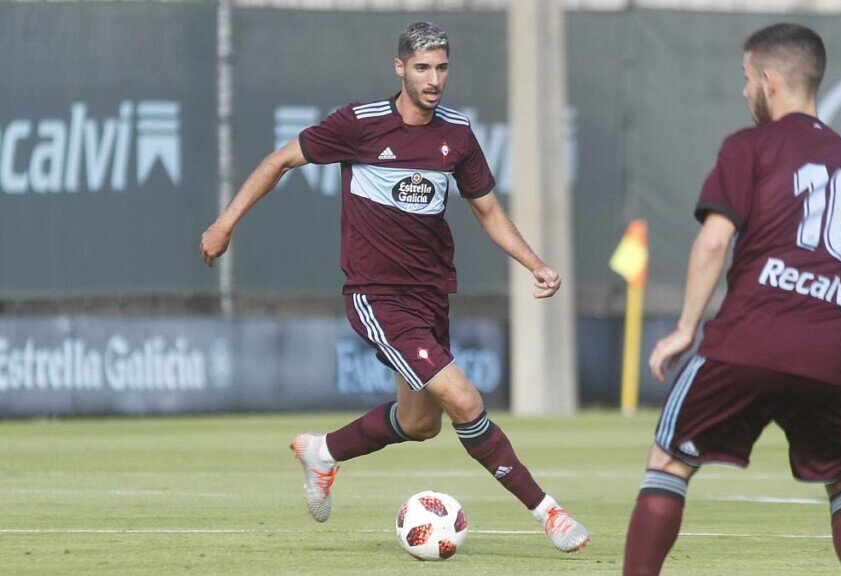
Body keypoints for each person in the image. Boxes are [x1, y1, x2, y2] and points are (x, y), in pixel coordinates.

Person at [199, 21, 589, 553]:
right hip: (376, 295)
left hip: (429, 296)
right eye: (423, 67)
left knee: (419, 422)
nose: (434, 79)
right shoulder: (360, 124)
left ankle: (323, 453)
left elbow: (489, 210)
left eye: (442, 67)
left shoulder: (456, 134)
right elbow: (278, 161)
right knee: (463, 398)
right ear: (400, 68)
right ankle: (550, 515)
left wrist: (534, 262)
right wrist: (225, 224)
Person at [622, 23, 841, 575]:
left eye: (746, 79)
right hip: (834, 354)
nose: (743, 91)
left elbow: (714, 241)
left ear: (770, 81)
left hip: (747, 342)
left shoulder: (748, 146)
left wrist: (684, 327)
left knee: (668, 463)